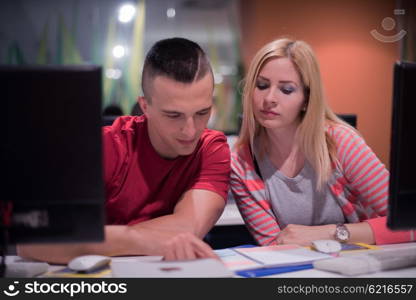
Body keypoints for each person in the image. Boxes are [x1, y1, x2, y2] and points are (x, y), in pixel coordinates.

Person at [18, 37, 231, 263]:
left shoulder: (211, 148)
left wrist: (101, 239)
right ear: (145, 106)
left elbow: (187, 228)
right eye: (173, 115)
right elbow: (34, 242)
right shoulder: (105, 147)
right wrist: (137, 239)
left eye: (201, 113)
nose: (190, 131)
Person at [230, 38, 415, 247]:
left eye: (287, 89)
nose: (269, 98)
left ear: (307, 99)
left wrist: (329, 233)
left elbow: (410, 222)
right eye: (262, 85)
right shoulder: (240, 163)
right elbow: (276, 248)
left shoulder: (340, 143)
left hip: (364, 266)